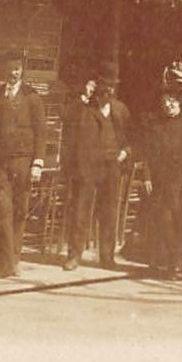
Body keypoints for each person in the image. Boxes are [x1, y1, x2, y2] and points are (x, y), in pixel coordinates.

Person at [0, 53, 47, 278]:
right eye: (9, 69)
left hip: (24, 163)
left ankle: (13, 258)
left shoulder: (32, 98)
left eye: (17, 69)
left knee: (20, 211)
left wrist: (37, 162)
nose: (13, 73)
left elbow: (42, 132)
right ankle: (6, 265)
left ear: (22, 71)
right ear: (3, 71)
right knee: (3, 211)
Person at [136, 62, 182, 279]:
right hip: (159, 182)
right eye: (165, 102)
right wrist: (146, 176)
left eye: (172, 102)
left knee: (177, 221)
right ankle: (160, 261)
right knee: (160, 220)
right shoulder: (155, 126)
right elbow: (146, 155)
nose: (168, 105)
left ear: (180, 103)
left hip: (180, 185)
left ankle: (176, 263)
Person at [60, 64, 133, 270]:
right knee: (80, 211)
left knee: (109, 213)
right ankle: (74, 255)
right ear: (95, 88)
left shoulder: (120, 110)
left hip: (111, 168)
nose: (107, 92)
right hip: (87, 168)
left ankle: (107, 257)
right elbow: (64, 116)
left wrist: (125, 152)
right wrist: (82, 96)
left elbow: (130, 138)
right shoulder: (83, 108)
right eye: (103, 88)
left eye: (110, 88)